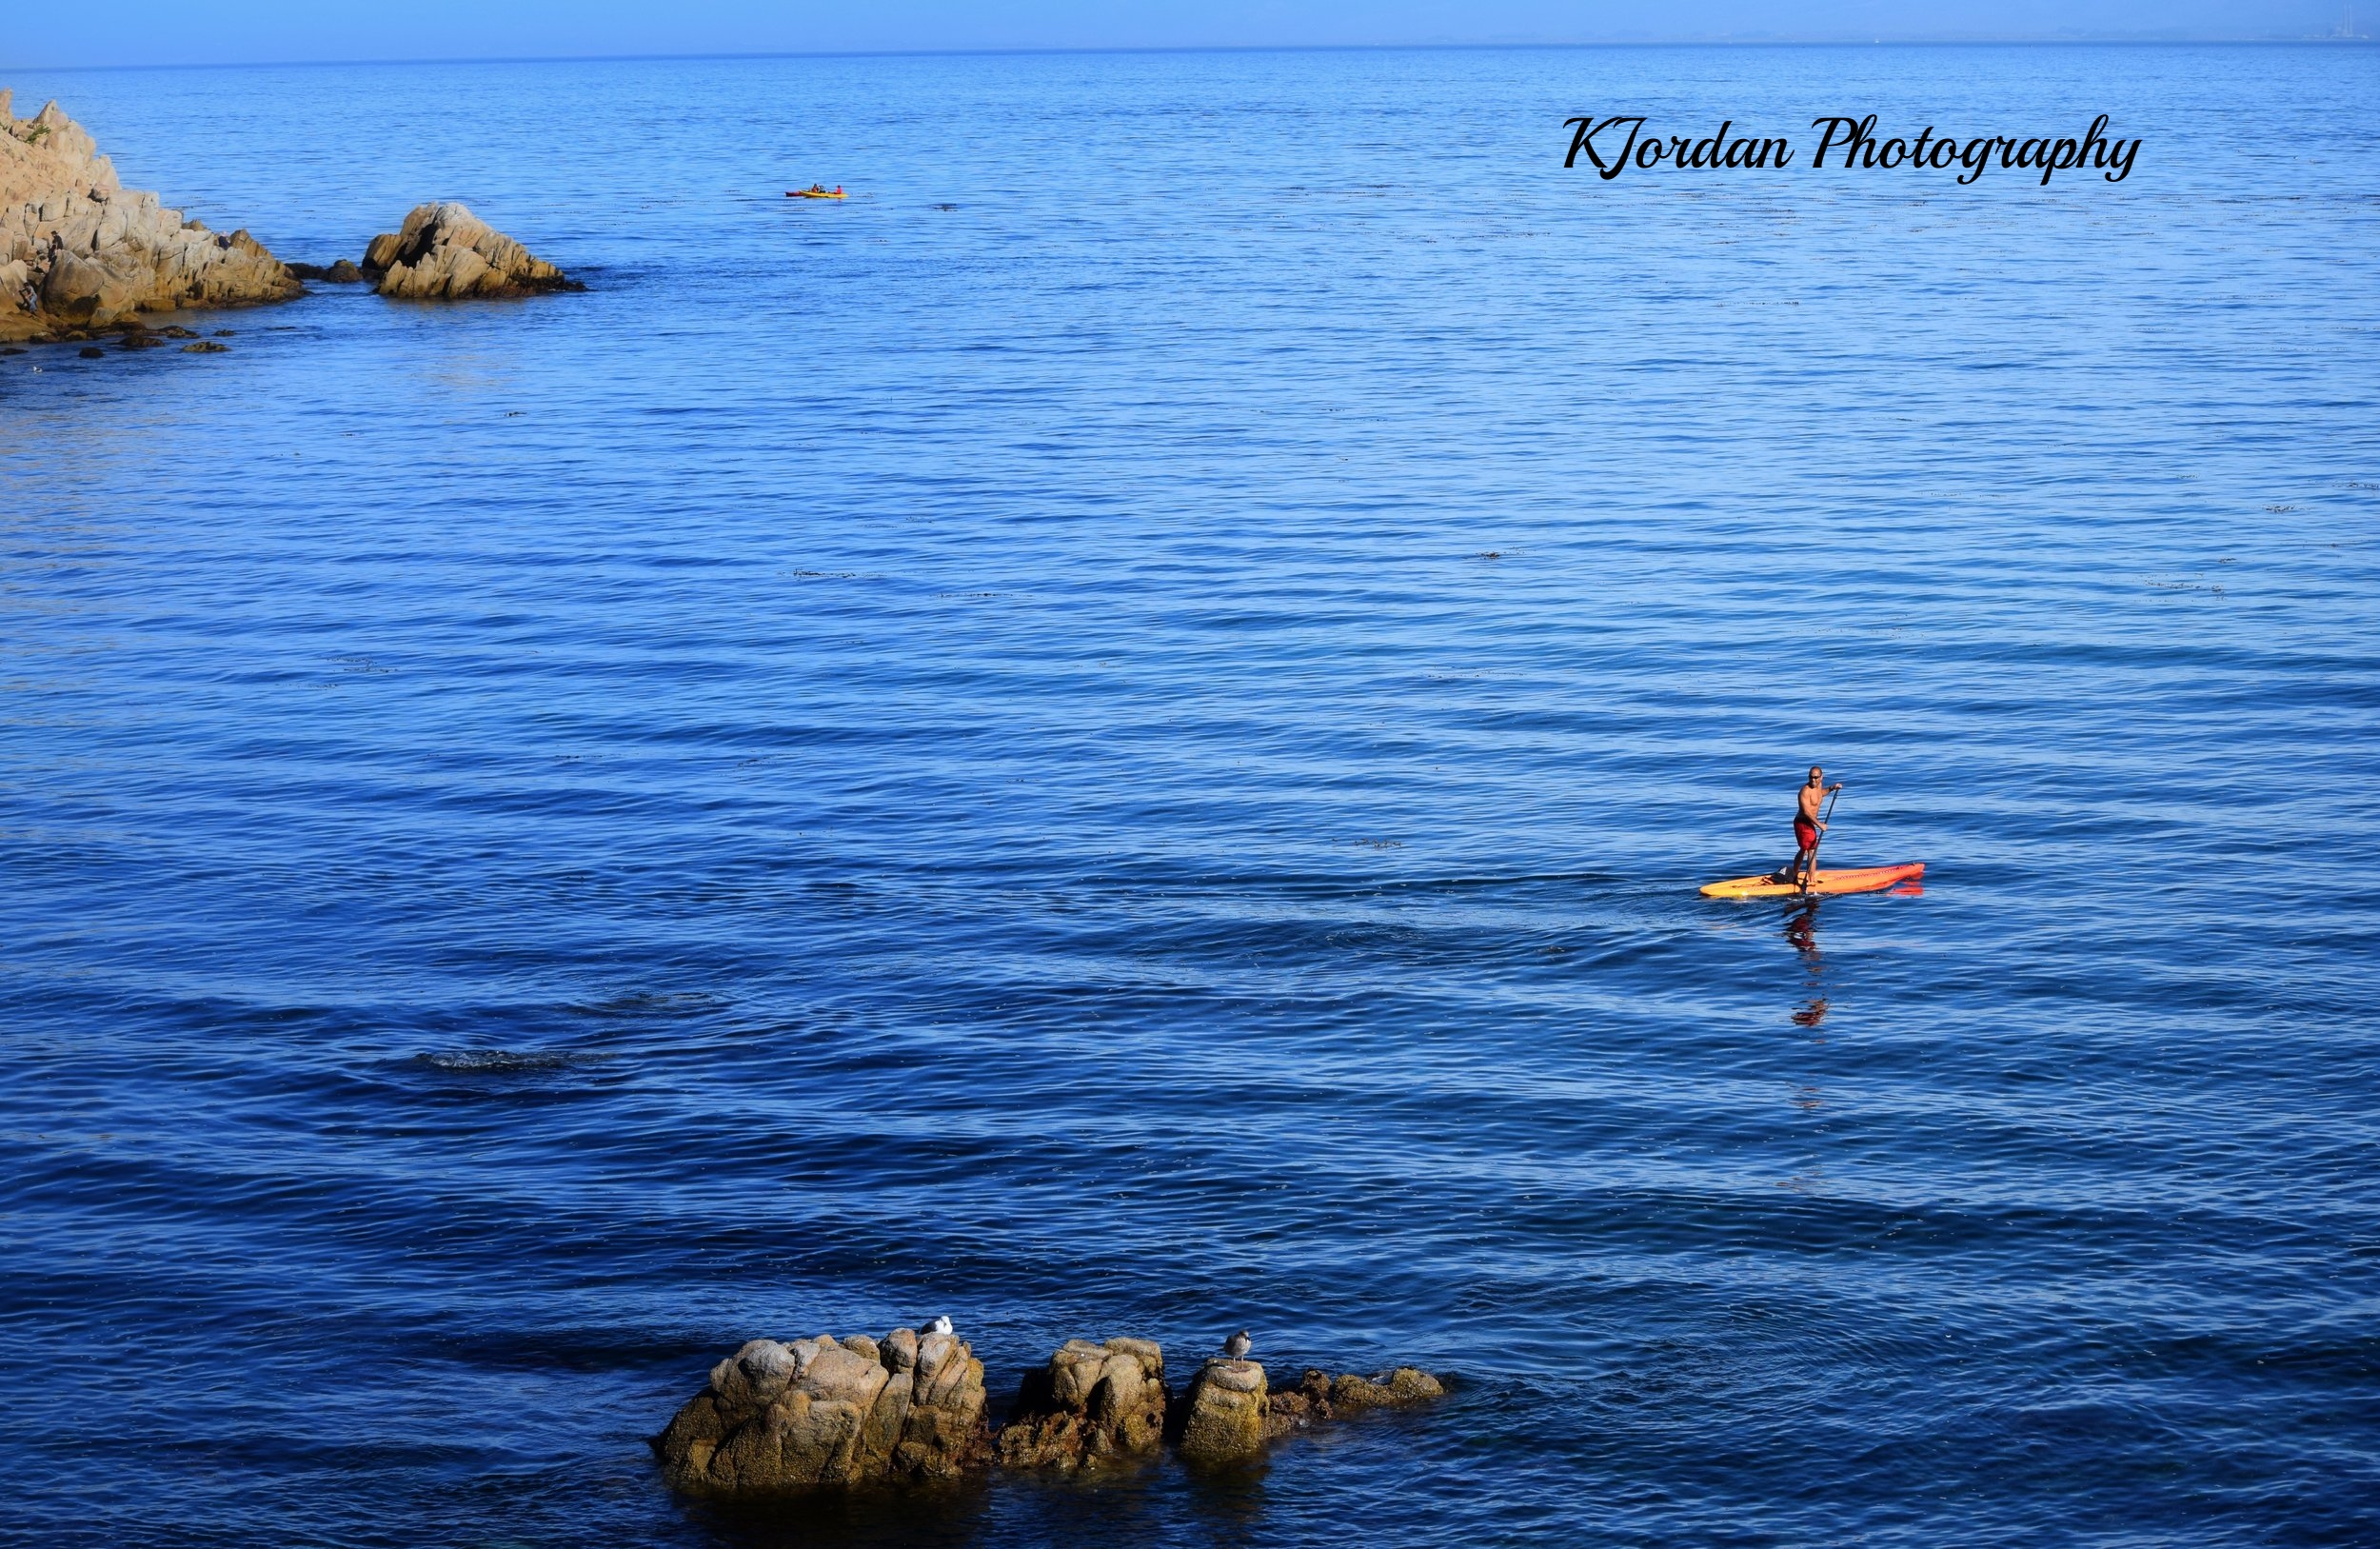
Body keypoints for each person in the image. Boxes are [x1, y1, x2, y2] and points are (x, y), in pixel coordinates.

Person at [1790, 765, 1842, 892]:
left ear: (1821, 777)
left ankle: (1794, 874)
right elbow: (1806, 812)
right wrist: (1820, 825)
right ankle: (1810, 879)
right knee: (1812, 849)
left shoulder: (1818, 787)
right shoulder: (1805, 791)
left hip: (1809, 824)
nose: (1813, 780)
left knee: (1804, 849)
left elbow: (1820, 795)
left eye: (1815, 777)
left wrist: (1831, 788)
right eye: (1810, 777)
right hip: (1803, 823)